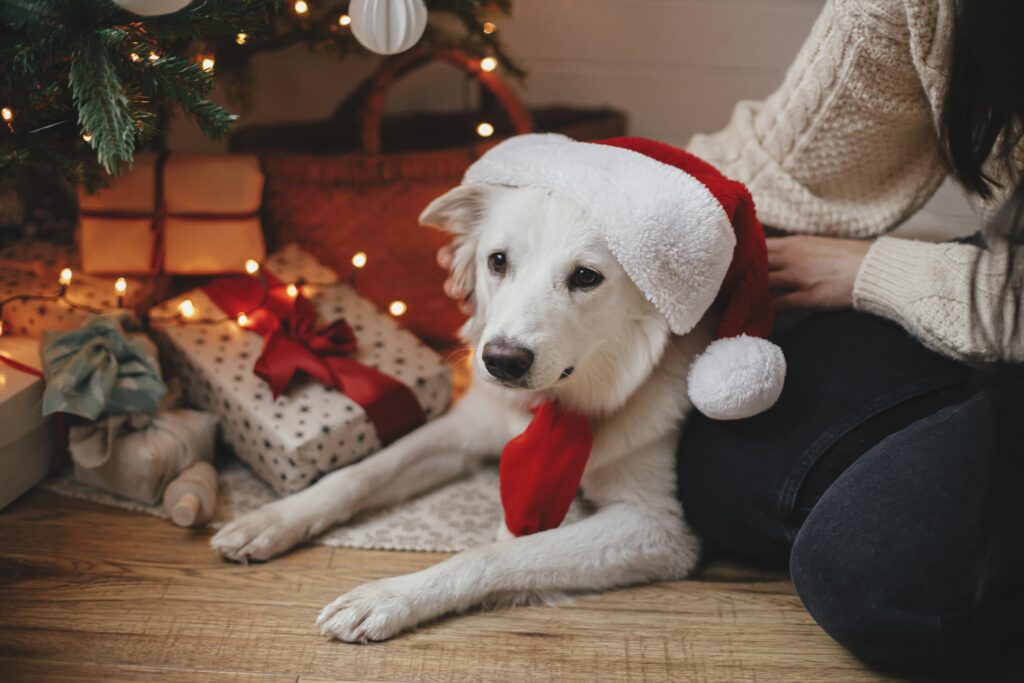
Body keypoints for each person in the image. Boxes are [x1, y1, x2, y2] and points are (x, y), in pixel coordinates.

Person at [438, 0, 1023, 670]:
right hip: (997, 272)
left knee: (867, 577)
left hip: (986, 284)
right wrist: (593, 198)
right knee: (716, 476)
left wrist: (876, 269)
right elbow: (786, 154)